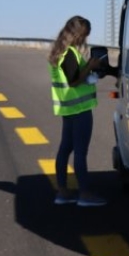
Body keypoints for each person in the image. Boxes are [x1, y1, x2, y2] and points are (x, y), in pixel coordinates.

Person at [47, 15, 106, 207]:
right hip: (80, 109)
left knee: (66, 149)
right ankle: (85, 194)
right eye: (85, 35)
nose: (85, 40)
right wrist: (90, 66)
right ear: (78, 34)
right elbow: (74, 80)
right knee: (80, 152)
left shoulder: (58, 52)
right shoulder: (69, 53)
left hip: (68, 108)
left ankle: (63, 192)